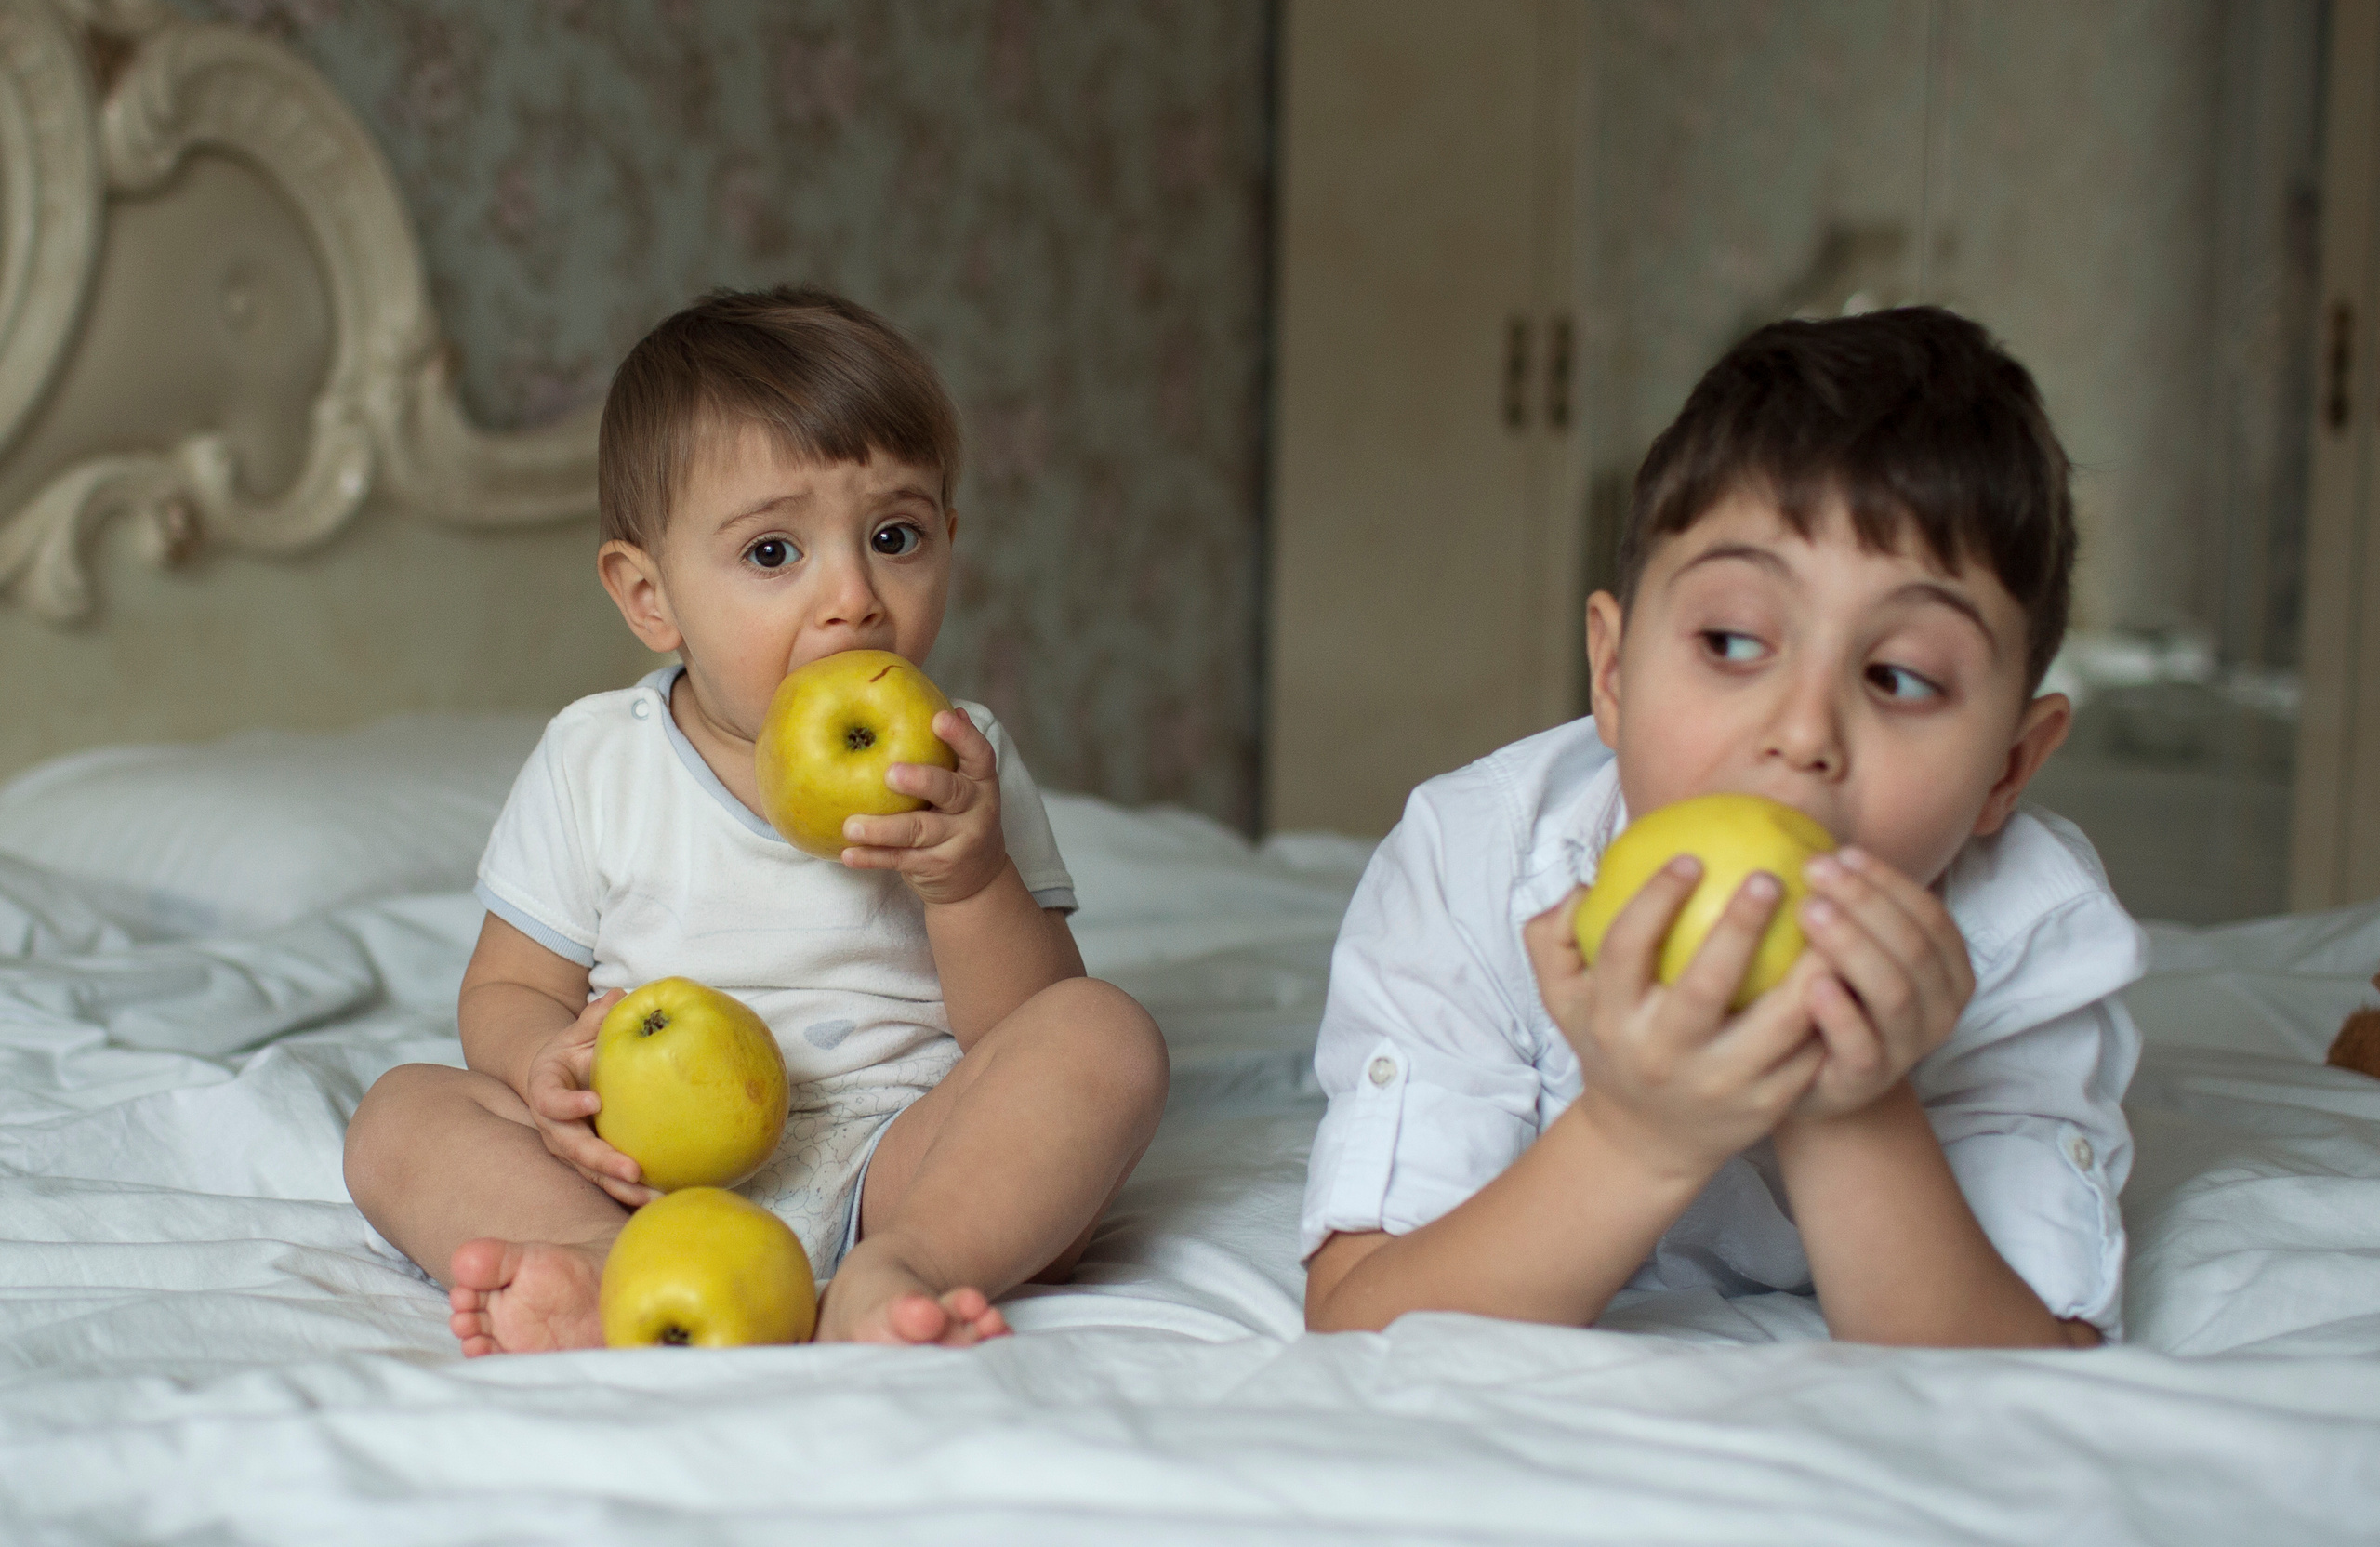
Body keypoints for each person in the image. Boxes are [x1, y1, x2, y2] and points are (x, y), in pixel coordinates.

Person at [344, 286, 1168, 1355]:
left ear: (949, 543)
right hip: (644, 1167)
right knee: (398, 1117)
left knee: (1104, 1037)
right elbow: (508, 987)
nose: (854, 598)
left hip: (900, 1153)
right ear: (650, 597)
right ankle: (604, 1264)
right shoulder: (596, 760)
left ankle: (909, 1265)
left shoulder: (958, 759)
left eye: (895, 535)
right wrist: (547, 1065)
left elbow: (1022, 1026)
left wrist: (970, 880)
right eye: (774, 554)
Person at [1301, 307, 2142, 1347]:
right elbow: (1360, 1316)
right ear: (1612, 673)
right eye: (1735, 641)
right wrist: (1636, 1135)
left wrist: (1848, 1106)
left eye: (1900, 676)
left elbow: (2029, 1373)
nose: (1801, 733)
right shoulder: (1476, 864)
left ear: (2007, 768)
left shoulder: (2027, 936)